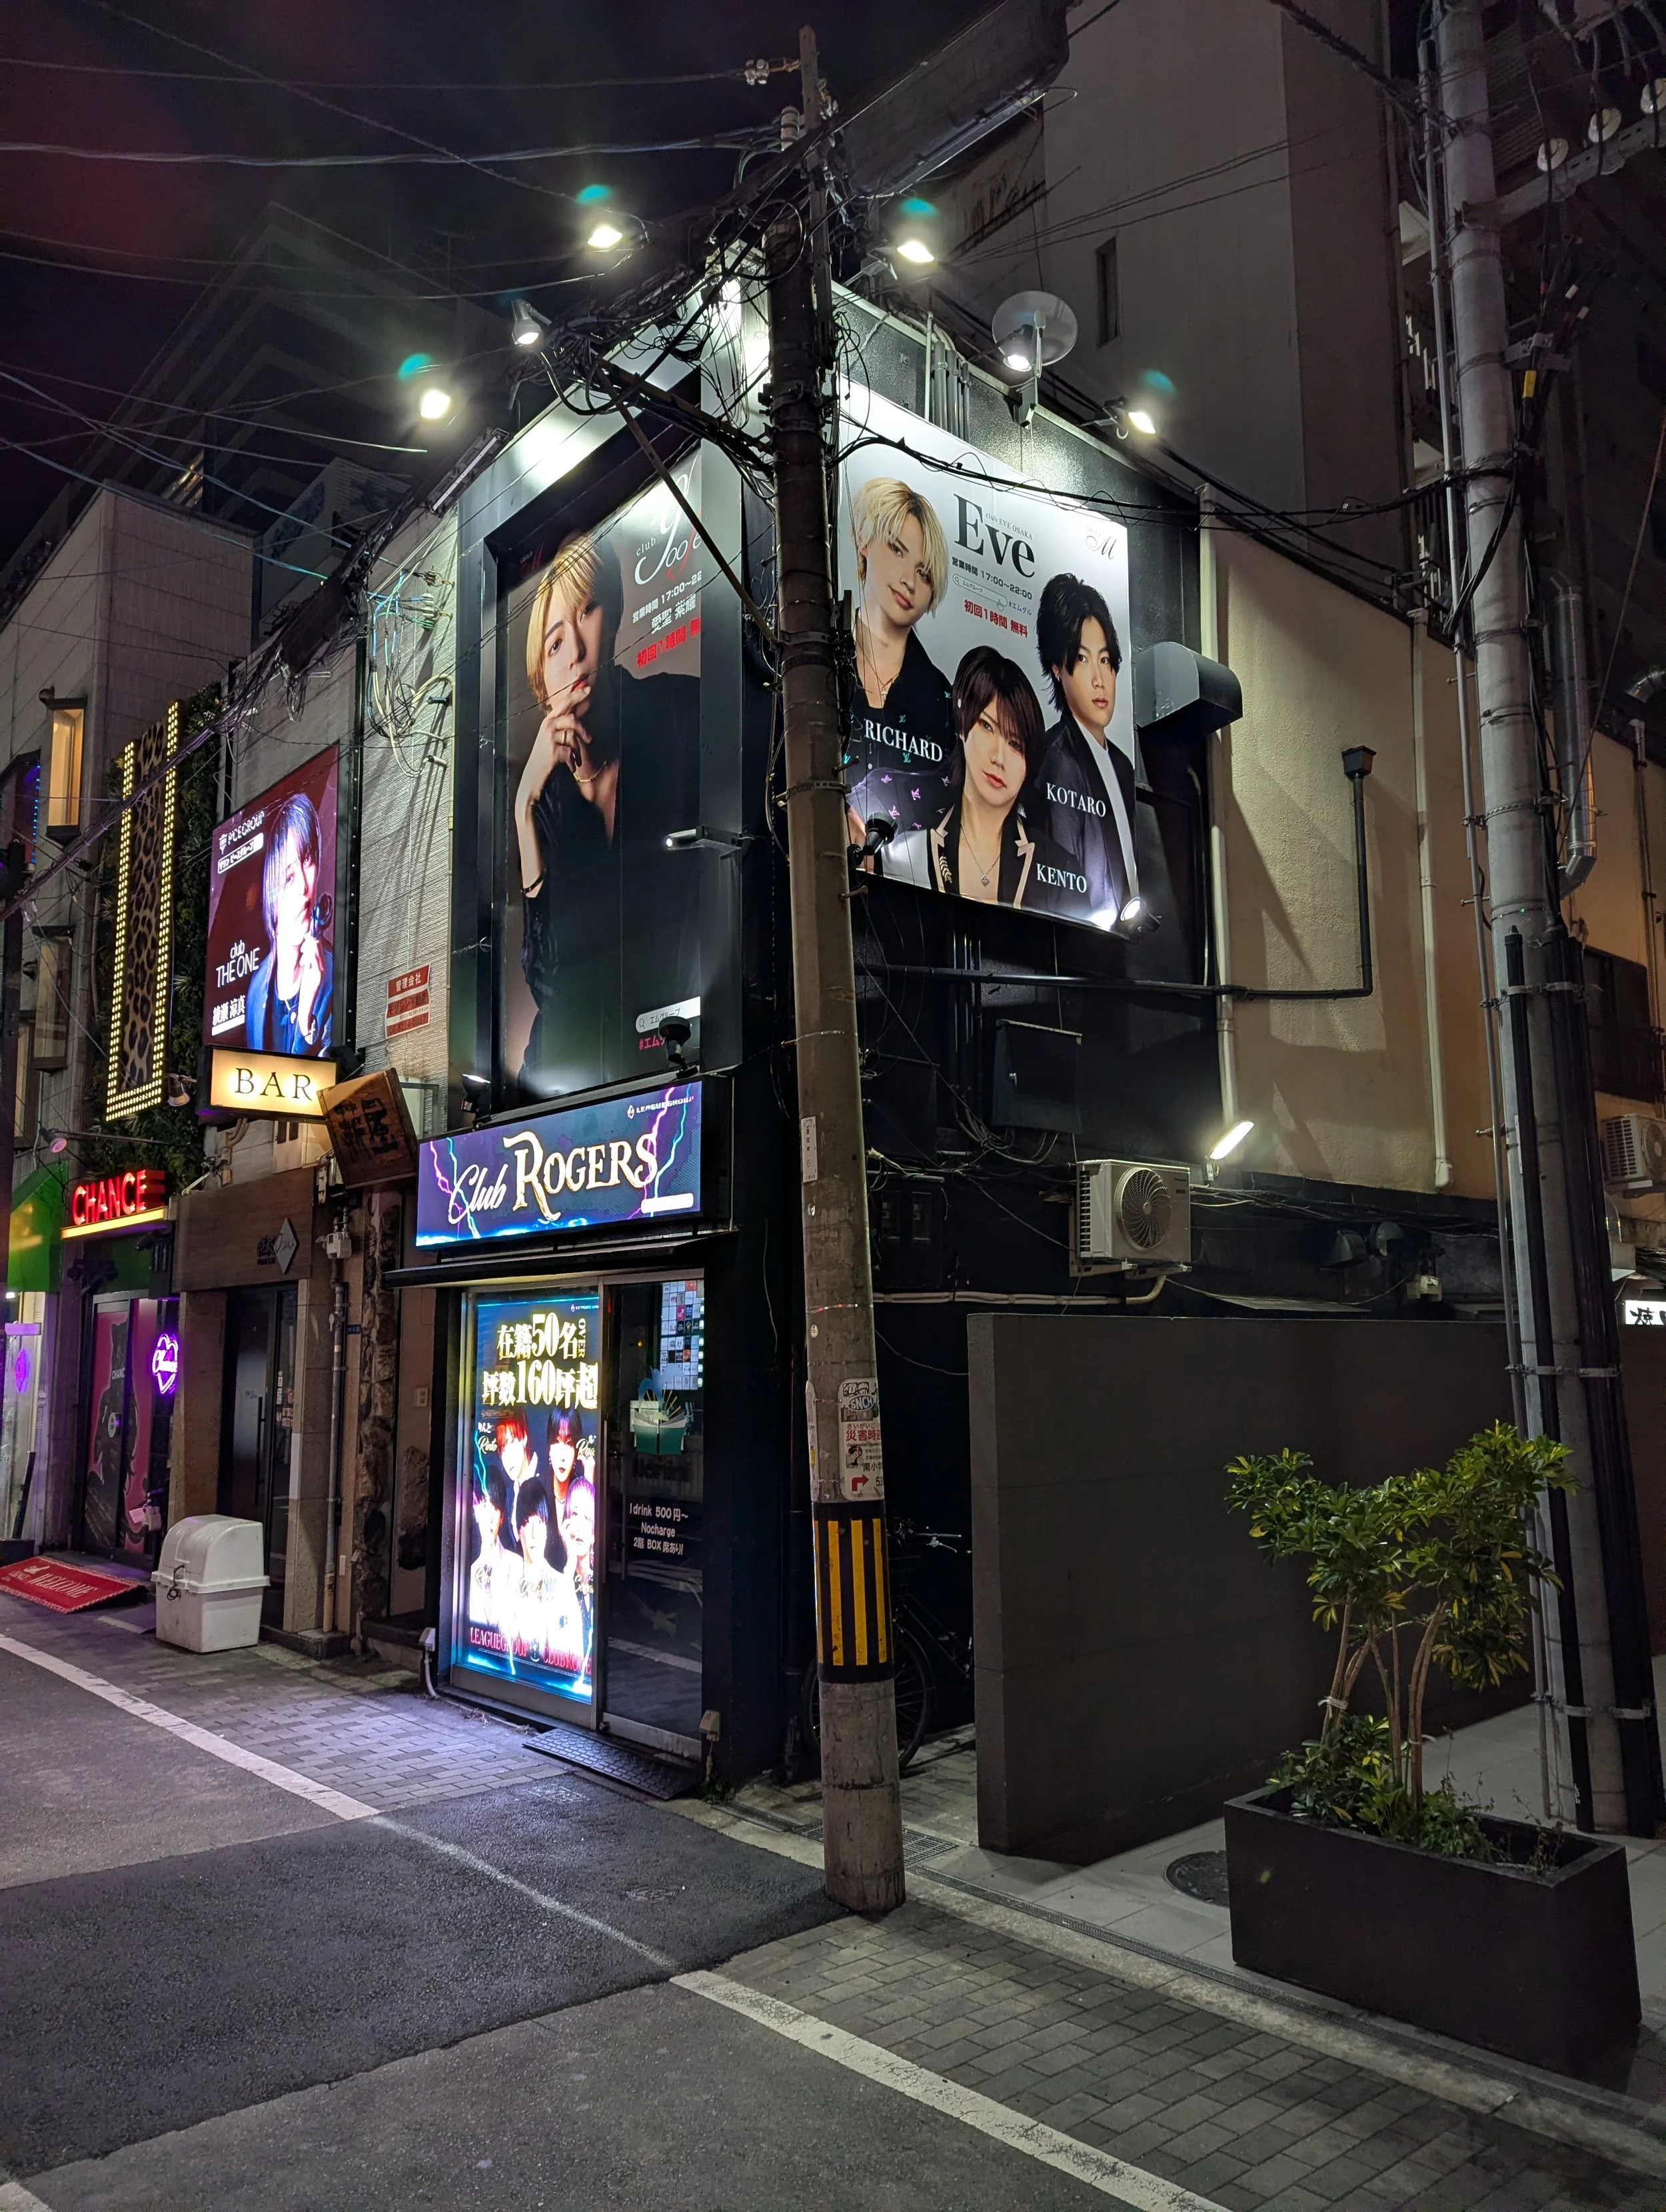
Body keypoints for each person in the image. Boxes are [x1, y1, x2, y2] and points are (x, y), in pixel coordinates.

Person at [514, 529, 699, 1086]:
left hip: (676, 1052)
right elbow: (547, 980)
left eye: (587, 610)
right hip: (562, 1072)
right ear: (543, 687)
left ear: (613, 616)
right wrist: (524, 807)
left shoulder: (682, 712)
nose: (573, 651)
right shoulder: (548, 803)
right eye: (553, 644)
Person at [885, 647, 1072, 909]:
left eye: (1016, 745)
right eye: (987, 726)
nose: (998, 757)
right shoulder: (907, 852)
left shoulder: (1058, 869)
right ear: (963, 726)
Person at [845, 477, 954, 843]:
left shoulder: (942, 700)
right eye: (897, 550)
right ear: (864, 540)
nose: (909, 580)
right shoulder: (821, 656)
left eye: (924, 574)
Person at [1034, 574, 1138, 928]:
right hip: (1077, 953)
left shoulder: (1122, 766)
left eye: (1106, 661)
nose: (1099, 678)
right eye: (1082, 659)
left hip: (1122, 948)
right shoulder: (1056, 760)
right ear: (1058, 668)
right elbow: (1063, 892)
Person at [245, 790, 333, 1055]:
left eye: (308, 861)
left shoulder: (333, 976)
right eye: (287, 878)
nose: (304, 888)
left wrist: (306, 1018)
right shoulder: (257, 991)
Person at [510, 1478, 586, 1677]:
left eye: (540, 1522)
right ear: (519, 1530)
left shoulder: (563, 1586)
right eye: (527, 1522)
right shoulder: (508, 1585)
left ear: (547, 1528)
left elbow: (577, 1660)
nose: (534, 1532)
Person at [466, 1456, 515, 1657]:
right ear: (475, 1511)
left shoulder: (517, 1565)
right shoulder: (467, 1573)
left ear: (502, 1517)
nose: (489, 1517)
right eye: (484, 1506)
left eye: (495, 1509)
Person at [559, 1472, 598, 1672]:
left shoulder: (599, 1580)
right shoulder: (558, 1578)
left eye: (588, 1518)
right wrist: (570, 1562)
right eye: (574, 1514)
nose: (580, 1526)